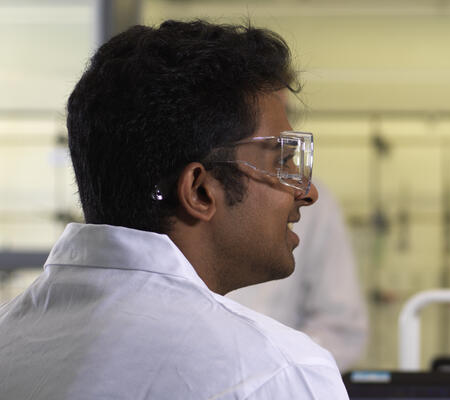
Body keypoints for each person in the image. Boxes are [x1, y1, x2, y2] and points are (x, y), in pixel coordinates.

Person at [0, 20, 348, 399]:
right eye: (280, 159)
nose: (307, 192)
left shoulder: (9, 338)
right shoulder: (276, 373)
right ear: (199, 191)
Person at [229, 180, 369, 372]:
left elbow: (341, 329)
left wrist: (270, 369)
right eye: (284, 160)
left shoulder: (317, 210)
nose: (309, 192)